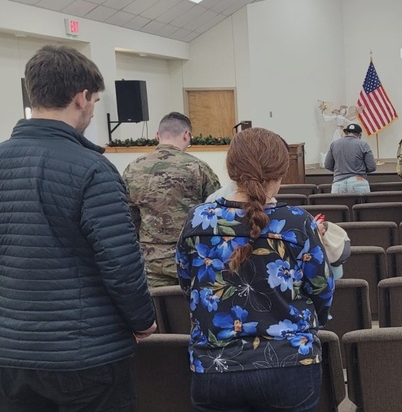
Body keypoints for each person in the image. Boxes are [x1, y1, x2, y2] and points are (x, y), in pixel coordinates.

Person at [0, 45, 156, 411]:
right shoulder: (92, 169)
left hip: (11, 355)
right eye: (96, 101)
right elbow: (119, 262)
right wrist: (143, 320)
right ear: (81, 98)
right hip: (86, 356)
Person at [177, 127, 333, 411]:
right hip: (289, 363)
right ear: (280, 174)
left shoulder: (197, 220)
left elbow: (188, 285)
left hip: (214, 365)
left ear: (231, 168)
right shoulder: (298, 222)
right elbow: (322, 289)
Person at [123, 112, 222, 288]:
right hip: (189, 258)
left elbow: (129, 218)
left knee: (157, 311)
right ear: (187, 135)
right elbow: (215, 211)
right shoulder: (198, 168)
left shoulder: (133, 168)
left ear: (157, 136)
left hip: (148, 262)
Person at [324, 122, 376, 194]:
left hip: (338, 183)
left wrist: (340, 170)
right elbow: (372, 167)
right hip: (358, 182)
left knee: (339, 205)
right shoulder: (363, 144)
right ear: (359, 135)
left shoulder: (334, 144)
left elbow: (327, 165)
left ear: (346, 133)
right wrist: (360, 170)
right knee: (362, 205)